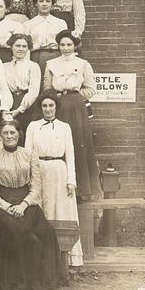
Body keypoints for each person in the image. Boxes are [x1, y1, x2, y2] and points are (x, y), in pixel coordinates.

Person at [0, 120, 68, 290]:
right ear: (0, 136)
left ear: (19, 134)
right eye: (5, 133)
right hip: (1, 204)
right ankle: (16, 282)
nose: (9, 136)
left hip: (26, 201)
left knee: (42, 231)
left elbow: (36, 187)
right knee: (13, 228)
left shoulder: (30, 155)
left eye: (12, 133)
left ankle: (33, 279)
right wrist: (8, 207)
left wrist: (23, 205)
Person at [25, 92, 83, 267]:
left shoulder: (64, 127)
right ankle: (42, 257)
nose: (48, 109)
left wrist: (71, 180)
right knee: (42, 211)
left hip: (59, 171)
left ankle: (66, 258)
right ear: (40, 108)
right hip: (39, 170)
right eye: (44, 106)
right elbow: (27, 154)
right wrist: (28, 179)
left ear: (56, 107)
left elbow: (70, 155)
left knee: (62, 212)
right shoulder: (33, 126)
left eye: (51, 106)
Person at [43, 30, 102, 200]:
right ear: (58, 46)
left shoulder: (83, 64)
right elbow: (47, 88)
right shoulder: (51, 64)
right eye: (62, 44)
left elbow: (91, 89)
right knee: (58, 143)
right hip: (58, 106)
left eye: (69, 44)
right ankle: (59, 189)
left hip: (76, 107)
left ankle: (82, 190)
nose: (66, 48)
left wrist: (75, 96)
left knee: (78, 143)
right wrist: (58, 99)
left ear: (74, 45)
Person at [23, 0, 69, 79]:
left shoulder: (60, 23)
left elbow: (65, 45)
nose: (44, 4)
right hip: (35, 58)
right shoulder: (28, 24)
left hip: (56, 57)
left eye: (48, 1)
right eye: (41, 1)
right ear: (36, 3)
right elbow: (25, 47)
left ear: (52, 4)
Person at [4, 33, 41, 135]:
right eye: (17, 46)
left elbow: (34, 91)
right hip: (10, 102)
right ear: (11, 47)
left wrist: (20, 109)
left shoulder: (33, 66)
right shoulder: (4, 66)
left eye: (24, 46)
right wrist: (7, 108)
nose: (21, 49)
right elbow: (3, 88)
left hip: (27, 105)